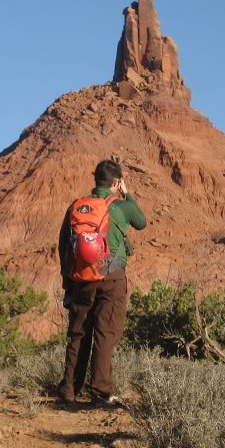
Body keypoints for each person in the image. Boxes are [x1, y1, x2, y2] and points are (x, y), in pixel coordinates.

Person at [57, 159, 147, 407]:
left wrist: (68, 280)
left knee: (78, 333)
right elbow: (141, 222)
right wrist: (127, 195)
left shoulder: (76, 207)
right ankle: (101, 391)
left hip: (82, 277)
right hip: (112, 274)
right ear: (116, 182)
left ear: (94, 178)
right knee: (106, 333)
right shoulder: (121, 205)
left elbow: (64, 245)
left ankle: (69, 390)